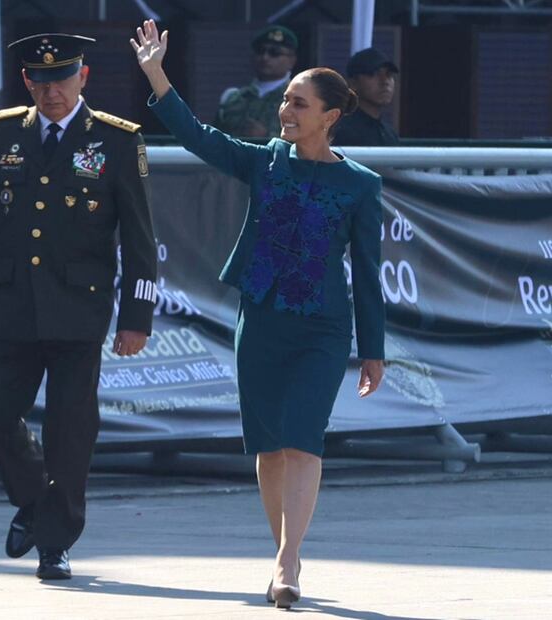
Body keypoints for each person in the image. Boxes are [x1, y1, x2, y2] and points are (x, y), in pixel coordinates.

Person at [132, 20, 385, 609]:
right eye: (284, 101)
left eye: (299, 103)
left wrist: (373, 350)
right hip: (262, 320)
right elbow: (196, 136)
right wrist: (154, 71)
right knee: (270, 446)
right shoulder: (265, 162)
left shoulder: (361, 185)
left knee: (303, 438)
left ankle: (287, 559)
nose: (285, 111)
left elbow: (369, 278)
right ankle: (285, 554)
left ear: (329, 115)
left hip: (323, 327)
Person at [0, 33, 158, 580]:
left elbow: (140, 240)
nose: (50, 90)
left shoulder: (115, 141)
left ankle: (54, 544)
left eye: (61, 79)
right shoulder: (1, 131)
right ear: (27, 82)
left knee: (70, 430)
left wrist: (136, 319)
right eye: (39, 79)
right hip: (11, 305)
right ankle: (36, 501)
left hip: (78, 310)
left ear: (83, 79)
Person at [215, 25, 298, 139]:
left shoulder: (298, 100)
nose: (265, 57)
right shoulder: (232, 98)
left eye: (274, 53)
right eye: (260, 51)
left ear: (291, 60)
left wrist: (266, 137)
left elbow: (308, 145)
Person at [335, 48, 400, 146]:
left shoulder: (390, 134)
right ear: (353, 83)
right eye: (373, 74)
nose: (385, 81)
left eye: (389, 74)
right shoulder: (338, 131)